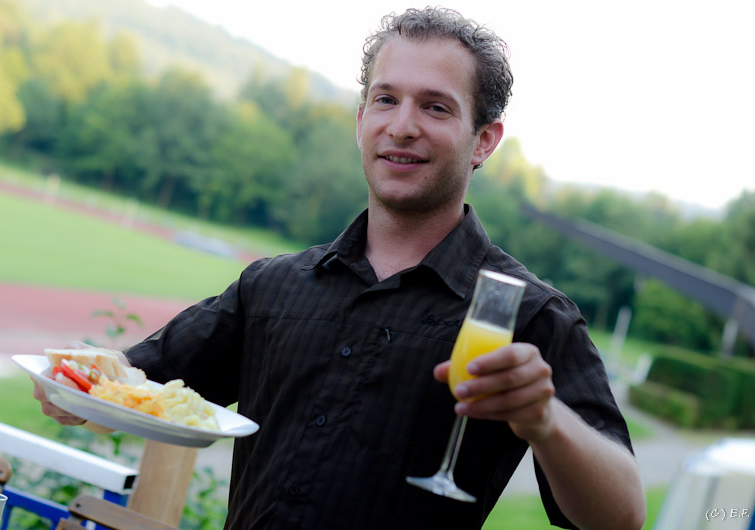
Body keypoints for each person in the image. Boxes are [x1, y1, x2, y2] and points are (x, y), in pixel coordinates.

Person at [36, 7, 645, 530]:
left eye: (435, 107)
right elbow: (126, 383)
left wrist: (546, 419)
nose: (401, 126)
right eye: (386, 99)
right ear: (360, 121)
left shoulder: (531, 315)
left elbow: (620, 516)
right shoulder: (271, 287)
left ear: (483, 140)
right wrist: (71, 385)